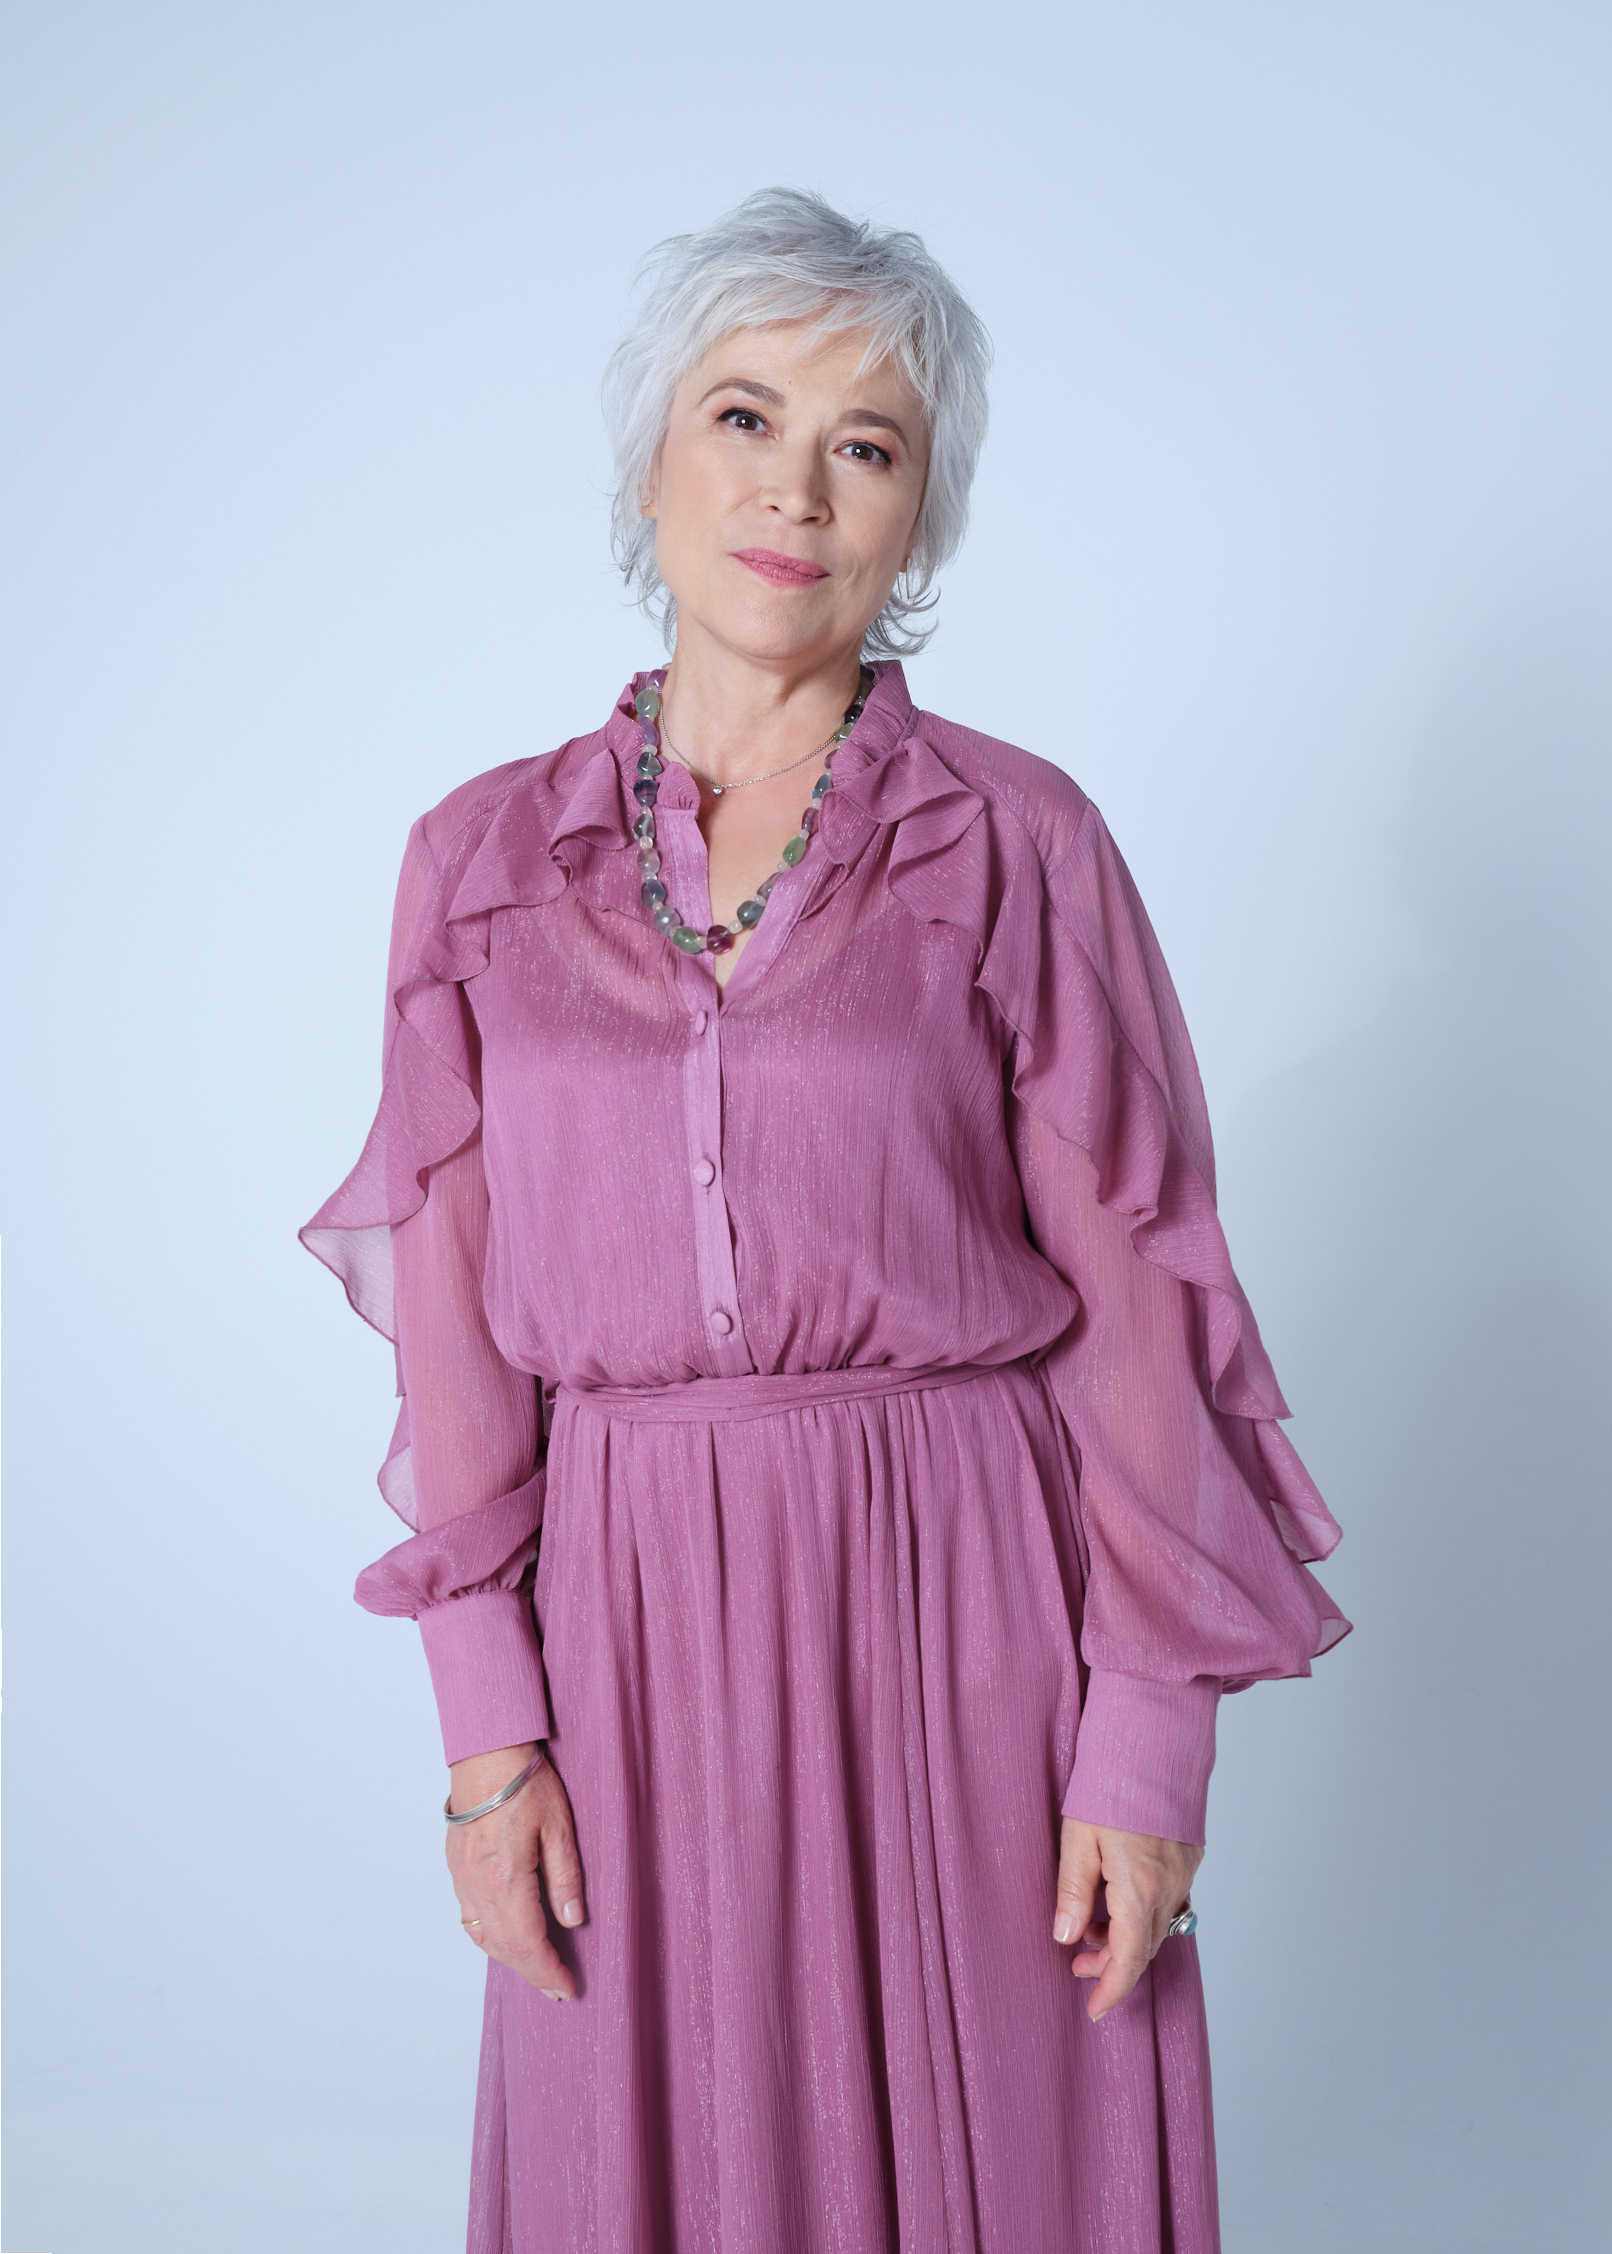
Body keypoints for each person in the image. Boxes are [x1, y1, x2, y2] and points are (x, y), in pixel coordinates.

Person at [303, 185, 1347, 2254]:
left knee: (1009, 2160)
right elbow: (457, 1343)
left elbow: (1144, 1322)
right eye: (745, 417)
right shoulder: (476, 864)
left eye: (865, 445)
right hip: (626, 1636)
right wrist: (487, 1737)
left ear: (919, 515)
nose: (795, 489)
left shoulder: (1019, 841)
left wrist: (1146, 1744)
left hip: (971, 1617)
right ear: (650, 461)